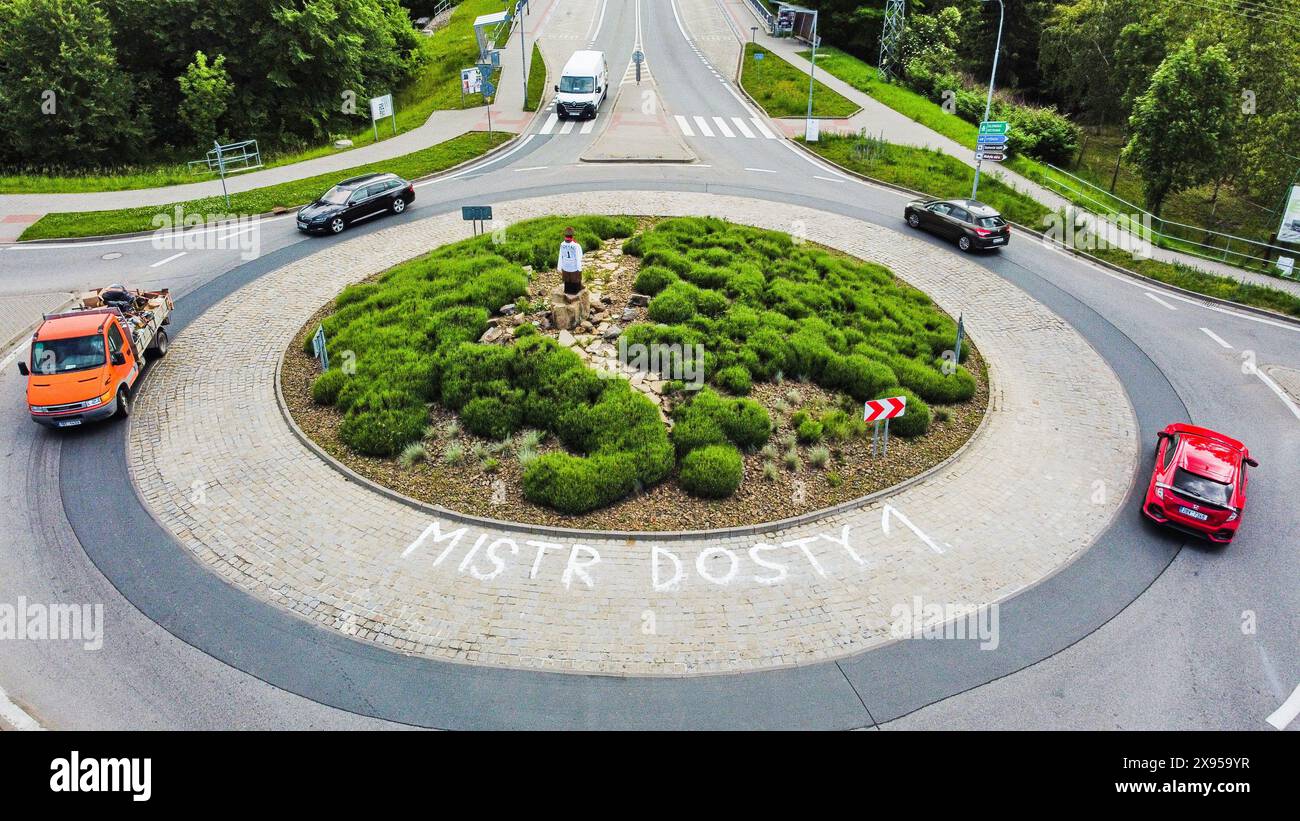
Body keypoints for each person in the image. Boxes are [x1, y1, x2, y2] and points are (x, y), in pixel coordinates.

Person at [558, 227, 583, 295]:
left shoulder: (562, 244)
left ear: (565, 235)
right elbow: (579, 257)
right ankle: (575, 291)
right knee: (575, 279)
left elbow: (560, 256)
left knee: (567, 280)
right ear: (572, 235)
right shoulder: (576, 245)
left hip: (565, 266)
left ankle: (567, 291)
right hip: (574, 267)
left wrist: (559, 267)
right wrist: (579, 268)